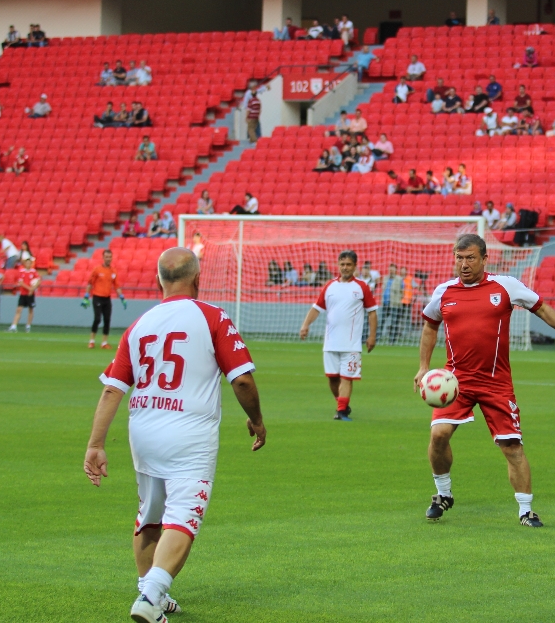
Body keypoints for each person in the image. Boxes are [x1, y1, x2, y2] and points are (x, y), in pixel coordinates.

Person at [84, 248, 264, 622]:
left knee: (149, 515)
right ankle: (151, 596)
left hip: (143, 430)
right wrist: (257, 420)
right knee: (183, 515)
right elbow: (242, 380)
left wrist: (96, 444)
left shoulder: (139, 324)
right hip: (189, 434)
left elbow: (112, 389)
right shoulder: (211, 316)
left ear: (158, 281)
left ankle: (149, 589)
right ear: (198, 279)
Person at [415, 234, 555, 526]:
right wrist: (423, 367)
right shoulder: (444, 292)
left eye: (470, 258)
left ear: (485, 259)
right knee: (438, 435)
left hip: (496, 383)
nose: (464, 264)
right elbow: (429, 327)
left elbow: (543, 308)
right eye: (459, 258)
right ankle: (442, 494)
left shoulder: (506, 286)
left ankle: (526, 510)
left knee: (512, 446)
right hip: (456, 381)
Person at [299, 250, 377, 421]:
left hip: (351, 344)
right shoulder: (330, 286)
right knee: (333, 379)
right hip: (331, 343)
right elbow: (316, 308)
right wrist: (305, 325)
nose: (345, 267)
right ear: (338, 265)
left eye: (348, 264)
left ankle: (341, 411)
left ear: (355, 266)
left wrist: (372, 336)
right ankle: (342, 404)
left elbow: (372, 313)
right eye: (342, 264)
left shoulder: (362, 287)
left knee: (347, 377)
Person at [84, 249, 126, 349]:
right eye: (106, 257)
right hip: (97, 297)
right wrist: (86, 296)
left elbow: (116, 286)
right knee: (97, 319)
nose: (108, 259)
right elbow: (90, 283)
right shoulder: (97, 270)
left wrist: (122, 297)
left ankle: (104, 342)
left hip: (107, 298)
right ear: (103, 258)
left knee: (107, 320)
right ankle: (92, 340)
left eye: (110, 257)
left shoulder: (113, 271)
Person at [7, 256, 39, 333]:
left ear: (31, 264)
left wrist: (33, 288)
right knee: (19, 309)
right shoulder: (21, 272)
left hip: (31, 294)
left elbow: (38, 281)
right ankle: (14, 326)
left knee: (31, 310)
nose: (28, 264)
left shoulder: (34, 272)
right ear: (25, 264)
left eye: (29, 263)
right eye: (27, 263)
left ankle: (28, 326)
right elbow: (21, 283)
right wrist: (30, 289)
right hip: (23, 293)